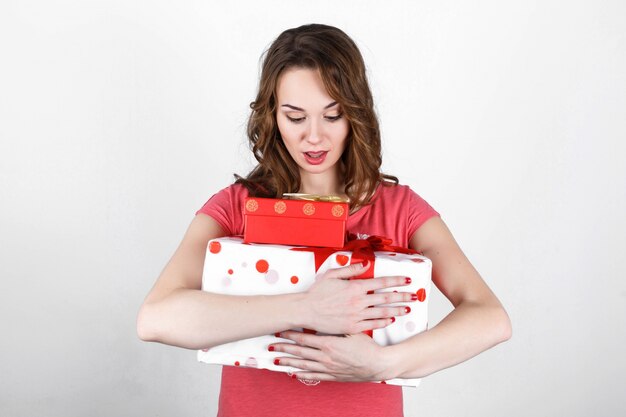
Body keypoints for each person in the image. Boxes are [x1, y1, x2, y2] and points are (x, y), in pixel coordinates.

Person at [137, 24, 512, 417]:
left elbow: (491, 318)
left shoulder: (400, 209)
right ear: (272, 116)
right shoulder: (237, 207)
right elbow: (156, 318)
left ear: (355, 115)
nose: (314, 137)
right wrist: (306, 308)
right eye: (295, 117)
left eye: (332, 116)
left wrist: (385, 364)